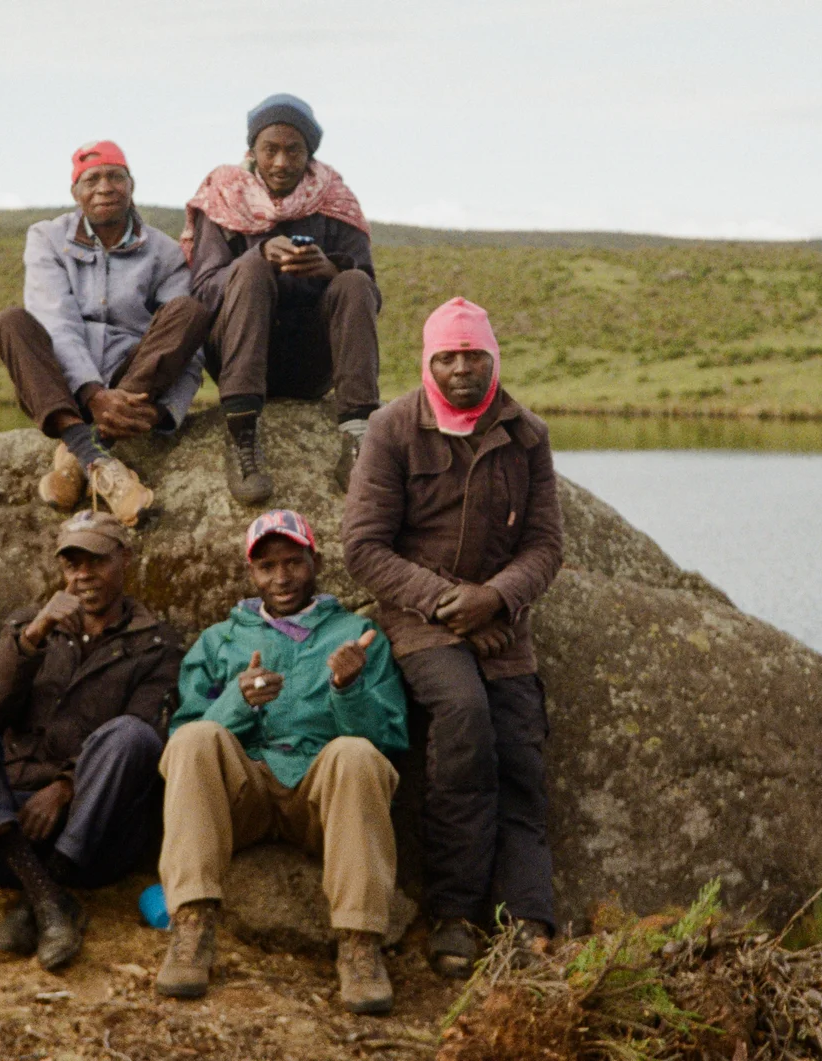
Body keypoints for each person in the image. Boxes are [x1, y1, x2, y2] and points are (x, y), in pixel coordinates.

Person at [342, 297, 564, 978]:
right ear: (428, 359)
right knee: (464, 717)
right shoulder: (392, 428)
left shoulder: (526, 433)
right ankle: (455, 914)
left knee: (520, 750)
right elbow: (364, 548)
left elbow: (545, 544)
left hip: (501, 624)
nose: (462, 367)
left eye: (474, 354)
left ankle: (529, 915)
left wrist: (494, 598)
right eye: (449, 355)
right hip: (419, 618)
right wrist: (448, 604)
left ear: (493, 356)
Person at [157, 510, 408, 1014]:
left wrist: (348, 688)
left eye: (293, 562)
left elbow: (390, 741)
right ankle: (192, 926)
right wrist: (236, 701)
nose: (281, 577)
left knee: (355, 754)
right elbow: (181, 736)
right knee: (196, 740)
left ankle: (359, 945)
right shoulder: (220, 640)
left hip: (318, 801)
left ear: (314, 561)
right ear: (251, 574)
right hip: (242, 799)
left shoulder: (356, 633)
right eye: (267, 566)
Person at [0, 511, 183, 970]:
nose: (83, 575)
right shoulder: (28, 624)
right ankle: (48, 899)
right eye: (72, 564)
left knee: (132, 735)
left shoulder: (157, 644)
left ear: (125, 558)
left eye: (96, 561)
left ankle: (49, 889)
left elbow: (151, 735)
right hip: (4, 833)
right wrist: (33, 636)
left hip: (92, 839)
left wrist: (65, 787)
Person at [0, 140, 213, 526]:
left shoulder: (165, 252)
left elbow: (187, 349)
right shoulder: (46, 237)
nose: (105, 187)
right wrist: (93, 394)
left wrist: (161, 411)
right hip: (68, 390)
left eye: (116, 176)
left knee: (190, 312)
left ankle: (76, 457)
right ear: (75, 192)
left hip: (135, 387)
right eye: (92, 179)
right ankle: (93, 451)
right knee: (12, 322)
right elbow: (56, 322)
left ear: (131, 185)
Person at [182, 94, 381, 502]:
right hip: (241, 358)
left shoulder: (335, 201)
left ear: (309, 154)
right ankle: (242, 437)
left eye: (294, 150)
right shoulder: (223, 197)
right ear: (252, 150)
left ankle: (359, 440)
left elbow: (371, 296)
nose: (280, 162)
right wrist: (256, 256)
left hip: (310, 364)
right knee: (252, 268)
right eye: (269, 149)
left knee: (354, 282)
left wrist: (330, 270)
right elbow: (202, 290)